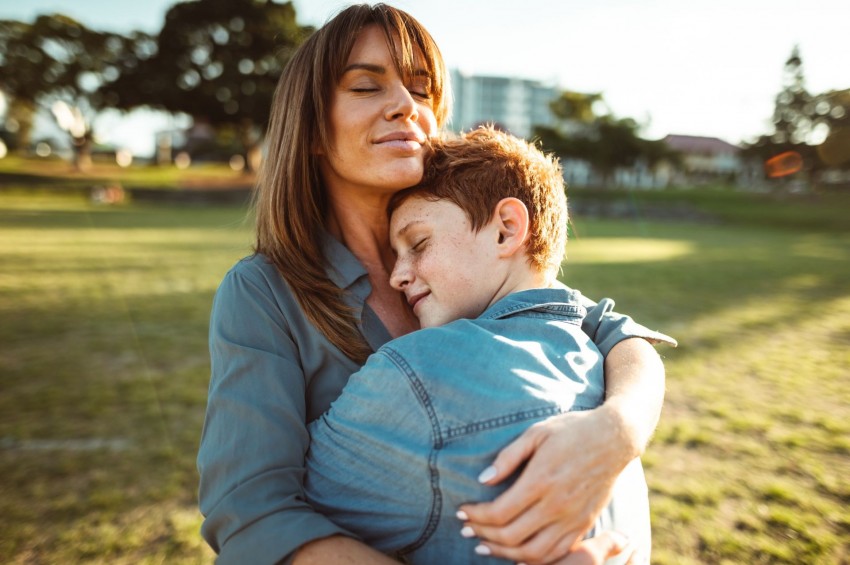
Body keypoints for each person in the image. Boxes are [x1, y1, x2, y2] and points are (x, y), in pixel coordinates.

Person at [197, 4, 673, 564]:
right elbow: (253, 513)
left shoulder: (463, 250)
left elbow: (610, 331)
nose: (406, 106)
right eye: (367, 86)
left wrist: (616, 432)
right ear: (312, 129)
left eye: (422, 91)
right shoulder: (263, 292)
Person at [304, 127, 667, 565]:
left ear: (506, 230)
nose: (398, 276)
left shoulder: (419, 369)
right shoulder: (598, 357)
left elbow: (278, 508)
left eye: (418, 243)